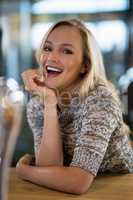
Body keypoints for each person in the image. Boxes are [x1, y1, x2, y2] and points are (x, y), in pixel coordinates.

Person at [16, 18, 133, 194]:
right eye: (47, 48)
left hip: (119, 188)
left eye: (66, 51)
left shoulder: (100, 100)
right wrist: (49, 102)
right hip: (63, 190)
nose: (51, 57)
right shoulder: (37, 105)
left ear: (84, 66)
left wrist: (24, 170)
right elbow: (49, 168)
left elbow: (78, 182)